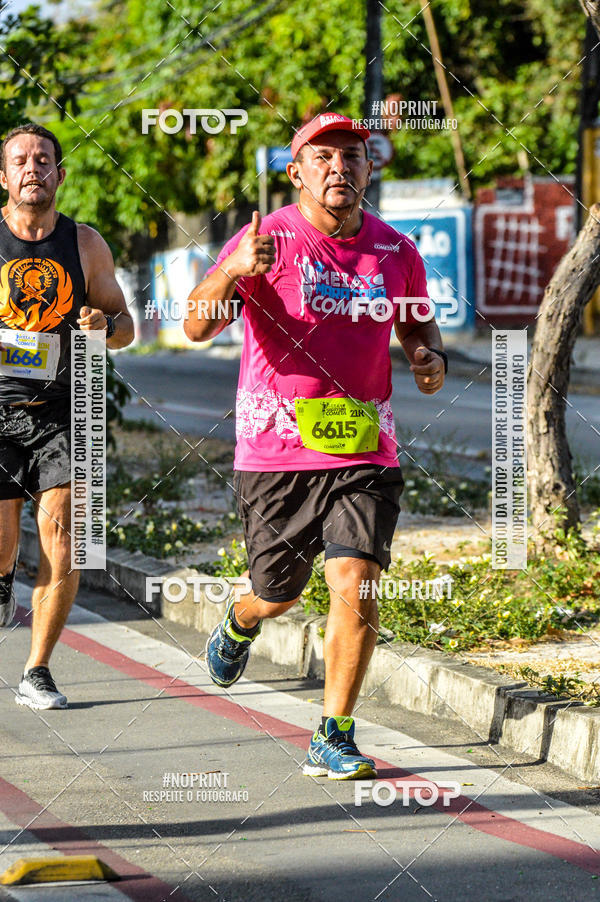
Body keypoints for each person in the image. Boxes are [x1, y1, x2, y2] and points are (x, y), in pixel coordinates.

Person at [184, 113, 447, 779]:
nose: (339, 168)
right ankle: (242, 619)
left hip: (365, 448)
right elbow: (192, 326)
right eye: (323, 156)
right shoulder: (264, 238)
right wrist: (231, 273)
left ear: (369, 168)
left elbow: (418, 327)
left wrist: (426, 356)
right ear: (297, 171)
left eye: (352, 156)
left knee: (355, 585)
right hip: (277, 453)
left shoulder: (394, 249)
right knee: (280, 592)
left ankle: (333, 733)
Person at [0, 123, 134, 709]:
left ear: (59, 173)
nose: (33, 168)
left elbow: (125, 325)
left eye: (44, 160)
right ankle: (4, 582)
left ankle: (38, 670)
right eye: (21, 161)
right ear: (3, 177)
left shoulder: (85, 245)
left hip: (68, 406)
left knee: (69, 536)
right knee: (2, 541)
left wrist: (105, 328)